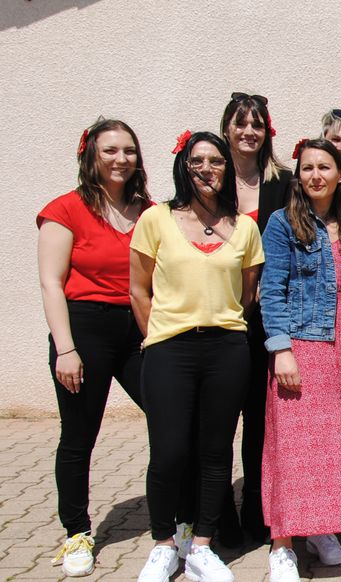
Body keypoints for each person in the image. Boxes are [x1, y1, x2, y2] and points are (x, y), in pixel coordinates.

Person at [130, 131, 264, 582]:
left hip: (227, 348)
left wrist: (220, 323)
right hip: (170, 349)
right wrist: (157, 337)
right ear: (184, 166)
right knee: (168, 451)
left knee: (215, 451)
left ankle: (202, 546)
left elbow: (247, 294)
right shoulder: (156, 219)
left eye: (216, 161)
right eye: (198, 161)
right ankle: (164, 544)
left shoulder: (244, 227)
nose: (207, 169)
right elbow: (139, 290)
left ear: (228, 169)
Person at [258, 139, 341, 580]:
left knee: (334, 439)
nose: (315, 175)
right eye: (307, 168)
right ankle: (283, 543)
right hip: (303, 341)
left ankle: (321, 528)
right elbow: (272, 289)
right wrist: (281, 349)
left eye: (324, 167)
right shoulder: (282, 222)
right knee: (295, 443)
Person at [38, 119, 151, 577]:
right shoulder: (66, 209)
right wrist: (65, 348)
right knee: (79, 435)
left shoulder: (148, 211)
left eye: (128, 150)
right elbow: (51, 282)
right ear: (91, 155)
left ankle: (180, 517)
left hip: (137, 329)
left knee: (171, 417)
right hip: (84, 329)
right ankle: (77, 532)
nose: (121, 159)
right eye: (110, 150)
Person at [218, 91, 293, 544]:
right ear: (227, 127)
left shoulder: (282, 182)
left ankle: (257, 508)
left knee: (260, 420)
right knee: (221, 418)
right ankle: (219, 513)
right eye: (241, 123)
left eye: (257, 124)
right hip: (221, 313)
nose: (249, 131)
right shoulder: (210, 176)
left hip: (268, 317)